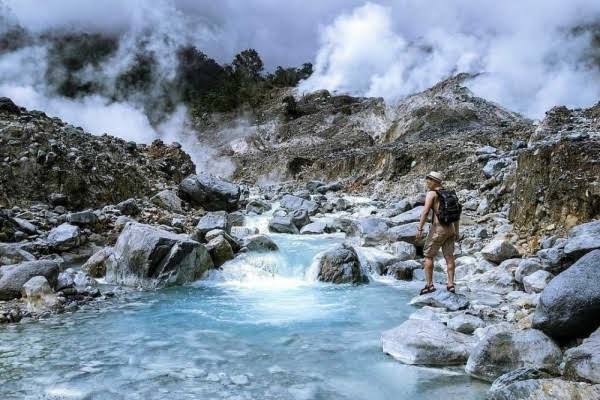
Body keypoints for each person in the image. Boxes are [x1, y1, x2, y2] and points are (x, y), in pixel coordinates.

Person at [416, 171, 460, 295]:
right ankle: (450, 285)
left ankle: (429, 285)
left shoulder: (432, 194)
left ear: (435, 182)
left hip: (438, 230)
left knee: (428, 256)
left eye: (429, 180)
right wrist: (456, 231)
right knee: (449, 257)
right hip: (451, 230)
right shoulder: (450, 194)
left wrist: (420, 229)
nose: (427, 182)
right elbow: (457, 214)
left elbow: (425, 212)